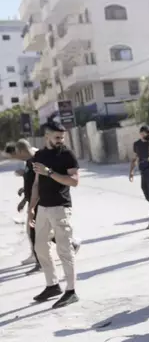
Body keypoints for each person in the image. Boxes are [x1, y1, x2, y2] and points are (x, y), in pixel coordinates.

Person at [30, 121, 82, 308]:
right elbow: (37, 183)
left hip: (60, 207)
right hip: (43, 208)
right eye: (57, 137)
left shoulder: (67, 155)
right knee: (40, 247)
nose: (61, 140)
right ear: (47, 137)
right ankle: (52, 285)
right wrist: (31, 209)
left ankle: (71, 291)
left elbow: (74, 181)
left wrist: (49, 172)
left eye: (62, 137)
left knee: (64, 250)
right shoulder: (40, 155)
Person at [129, 125, 149, 229]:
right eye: (146, 132)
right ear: (141, 133)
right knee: (146, 193)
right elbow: (134, 158)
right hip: (143, 172)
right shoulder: (136, 144)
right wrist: (131, 171)